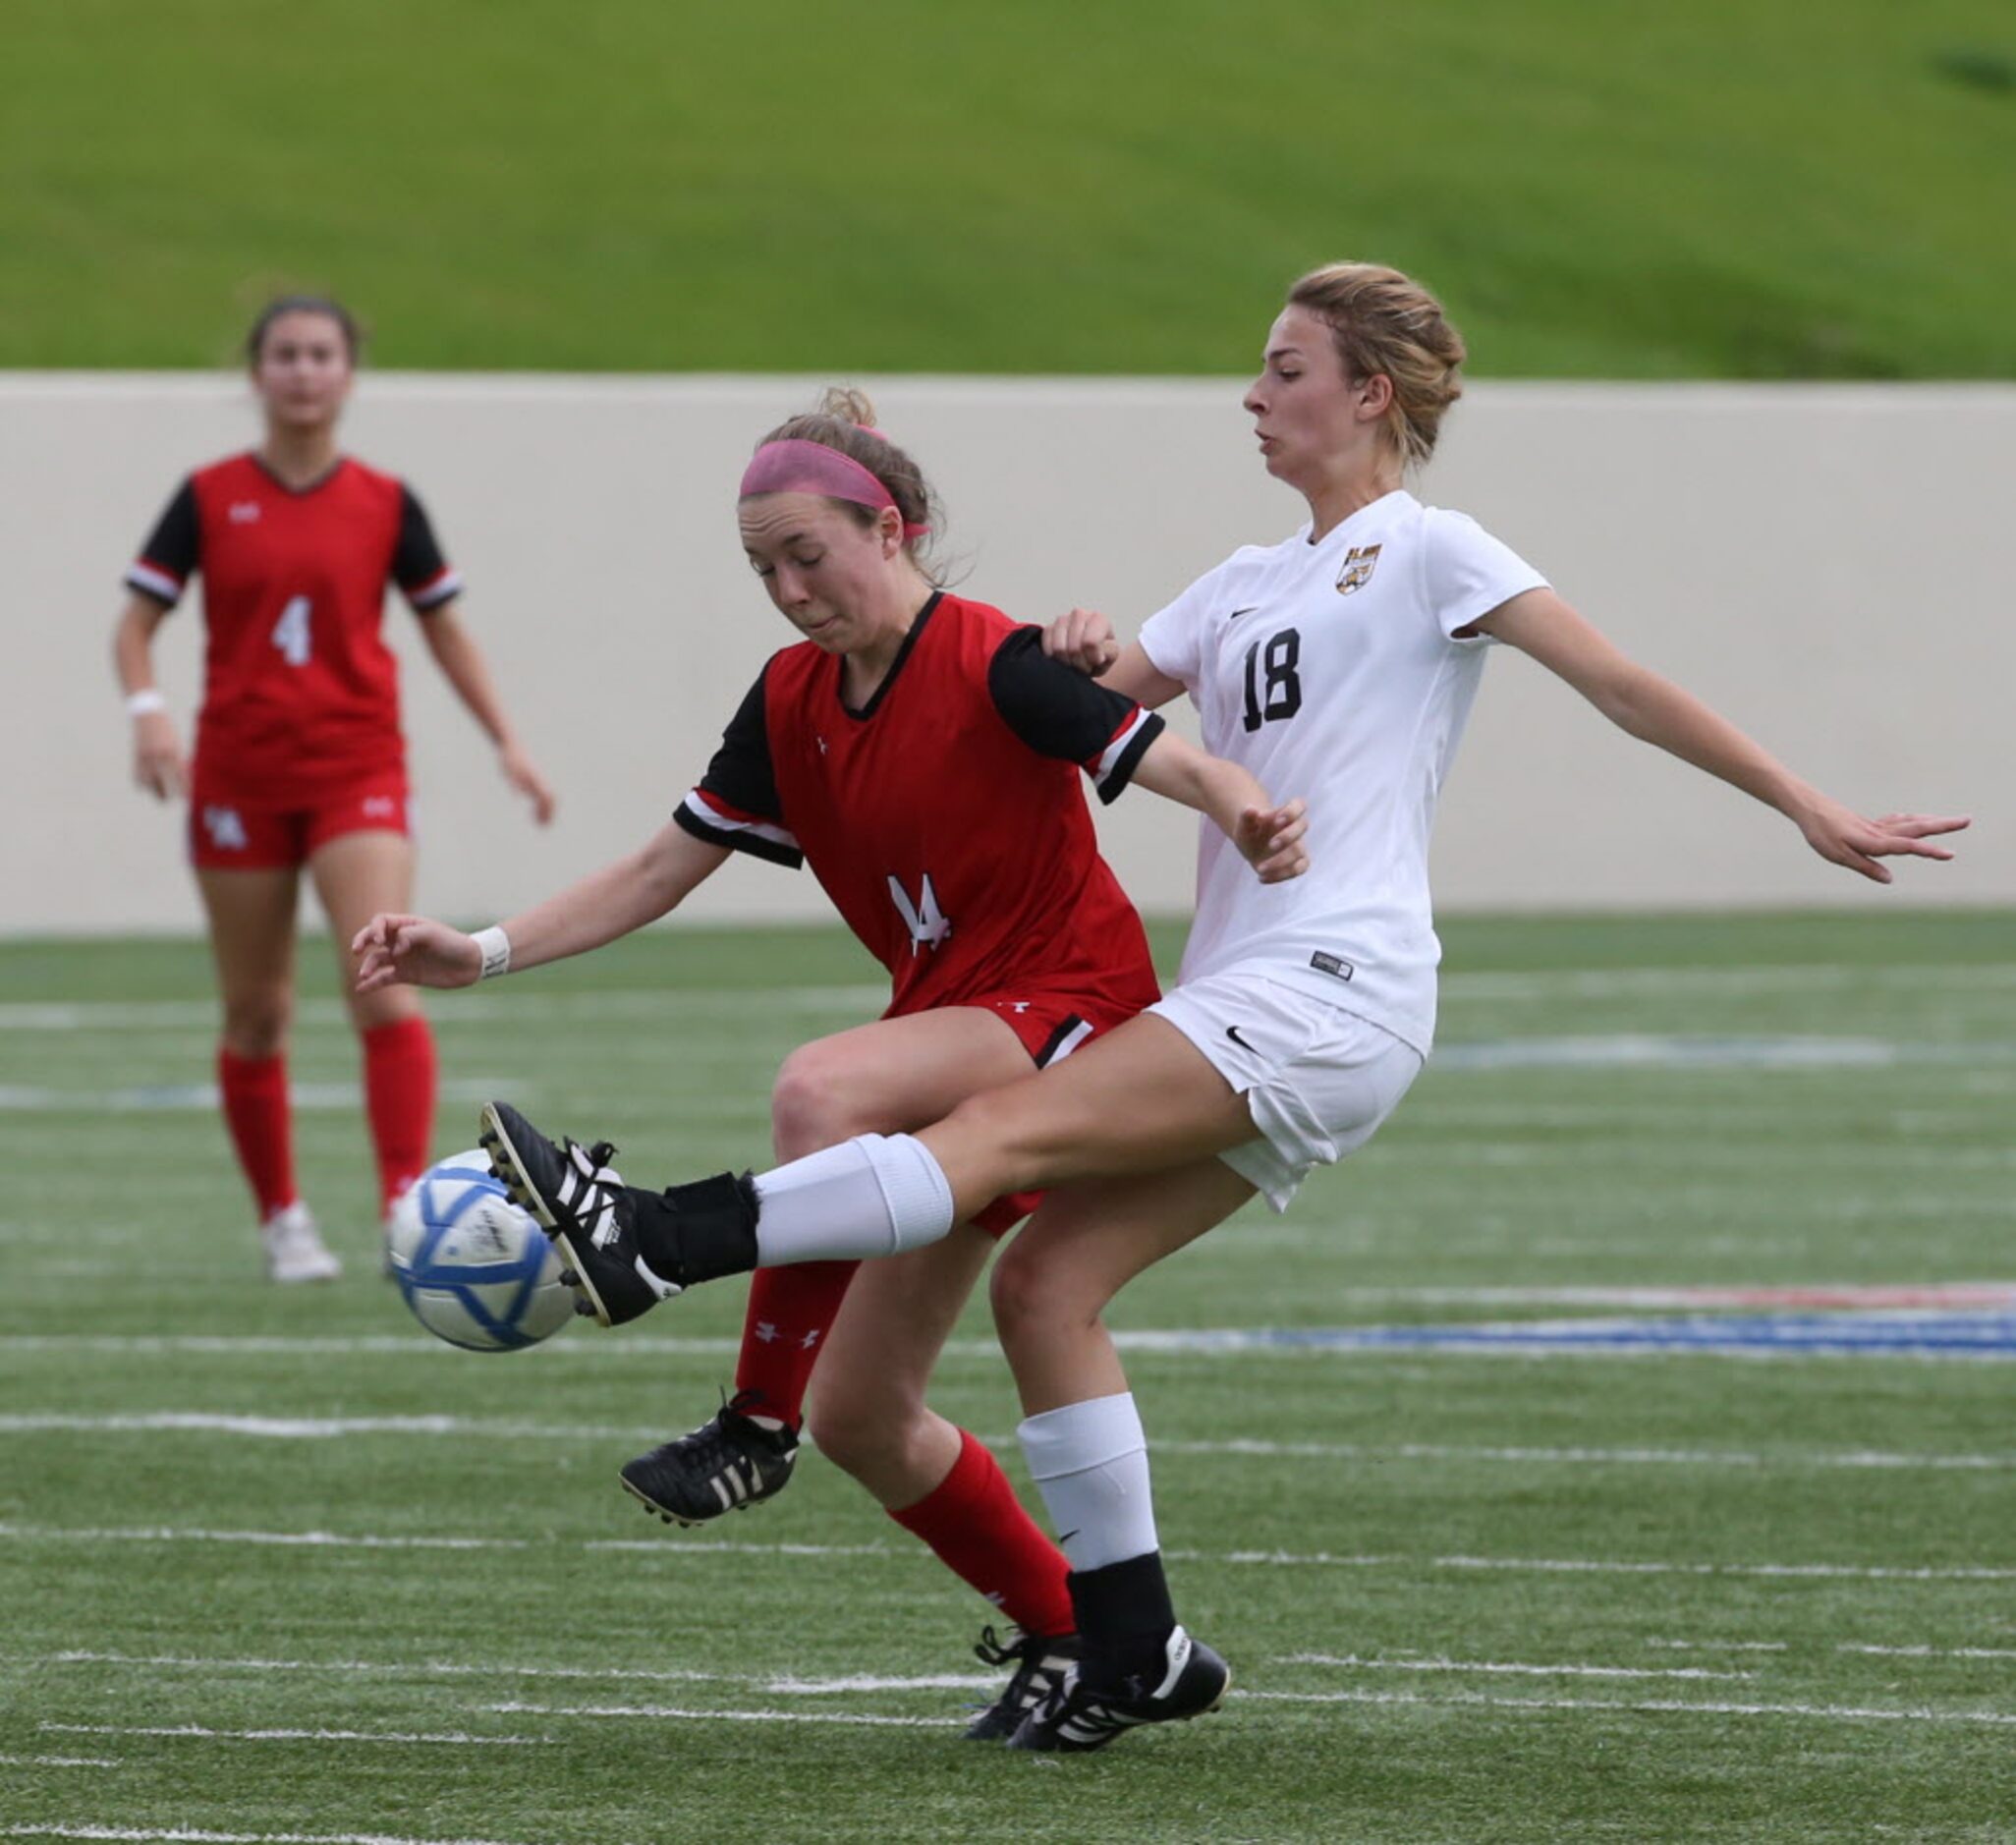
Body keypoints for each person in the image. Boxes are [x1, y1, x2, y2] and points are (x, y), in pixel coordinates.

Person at [469, 263, 1969, 1750]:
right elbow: (1041, 705)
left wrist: (1805, 803)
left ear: (1369, 393)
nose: (1253, 396)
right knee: (1044, 1287)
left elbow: (1623, 685)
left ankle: (655, 1235)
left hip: (1334, 986)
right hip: (1253, 1000)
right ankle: (1135, 1646)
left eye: (1286, 370)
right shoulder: (1244, 583)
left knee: (988, 1137)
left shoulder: (1432, 550)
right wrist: (1063, 650)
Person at [352, 389, 1308, 1739]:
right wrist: (483, 950)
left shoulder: (997, 658)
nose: (791, 589)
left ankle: (750, 1421)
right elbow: (657, 867)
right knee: (869, 1413)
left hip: (1071, 1015)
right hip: (950, 1051)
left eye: (811, 554)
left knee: (822, 1085)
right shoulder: (793, 698)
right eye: (763, 568)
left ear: (891, 527)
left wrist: (1249, 808)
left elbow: (1170, 762)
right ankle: (1091, 1642)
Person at [114, 296, 555, 1283]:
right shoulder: (208, 494)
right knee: (256, 1012)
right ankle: (284, 1222)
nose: (304, 371)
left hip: (356, 767)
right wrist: (147, 707)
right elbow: (134, 623)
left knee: (384, 982)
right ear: (258, 373)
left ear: (348, 373)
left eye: (321, 354)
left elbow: (444, 629)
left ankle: (407, 1209)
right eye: (285, 354)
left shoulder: (387, 503)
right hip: (237, 776)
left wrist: (506, 742)